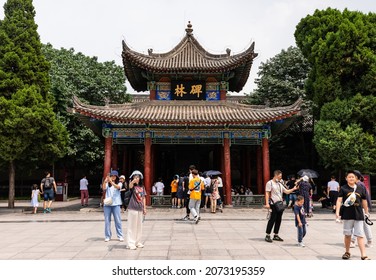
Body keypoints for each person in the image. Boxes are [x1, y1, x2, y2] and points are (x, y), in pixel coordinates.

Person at [335, 170, 370, 260]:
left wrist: (366, 212)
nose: (351, 178)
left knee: (360, 235)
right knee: (347, 235)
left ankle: (363, 255)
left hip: (358, 215)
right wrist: (337, 212)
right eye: (349, 177)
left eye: (353, 177)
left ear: (356, 179)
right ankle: (347, 252)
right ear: (346, 179)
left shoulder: (361, 188)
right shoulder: (343, 188)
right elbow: (339, 201)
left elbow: (364, 201)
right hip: (347, 215)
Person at [264, 170, 297, 243]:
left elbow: (287, 191)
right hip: (273, 204)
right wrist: (267, 203)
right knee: (272, 219)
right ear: (276, 175)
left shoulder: (279, 184)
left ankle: (276, 234)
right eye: (280, 176)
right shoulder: (270, 183)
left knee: (279, 219)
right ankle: (268, 235)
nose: (281, 177)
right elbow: (267, 193)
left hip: (280, 204)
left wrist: (293, 189)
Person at [349, 171, 373, 248]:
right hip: (362, 207)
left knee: (356, 224)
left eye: (352, 176)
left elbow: (362, 198)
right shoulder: (361, 184)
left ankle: (352, 241)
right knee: (365, 224)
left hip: (360, 207)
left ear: (356, 177)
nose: (351, 178)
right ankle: (369, 241)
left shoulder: (358, 185)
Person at [126, 170, 147, 250]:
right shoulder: (132, 186)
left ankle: (137, 242)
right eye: (135, 177)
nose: (136, 179)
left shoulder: (142, 187)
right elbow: (130, 186)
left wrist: (144, 208)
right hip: (132, 208)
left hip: (140, 208)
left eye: (137, 177)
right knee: (132, 226)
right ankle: (131, 243)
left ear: (140, 178)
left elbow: (144, 197)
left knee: (139, 226)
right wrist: (132, 181)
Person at [102, 170, 124, 242]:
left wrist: (111, 182)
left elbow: (118, 187)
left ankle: (120, 235)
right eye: (112, 176)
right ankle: (107, 236)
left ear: (117, 177)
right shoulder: (108, 183)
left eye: (114, 176)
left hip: (116, 204)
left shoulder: (119, 183)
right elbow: (104, 188)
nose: (113, 177)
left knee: (118, 220)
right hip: (107, 204)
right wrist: (105, 181)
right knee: (107, 221)